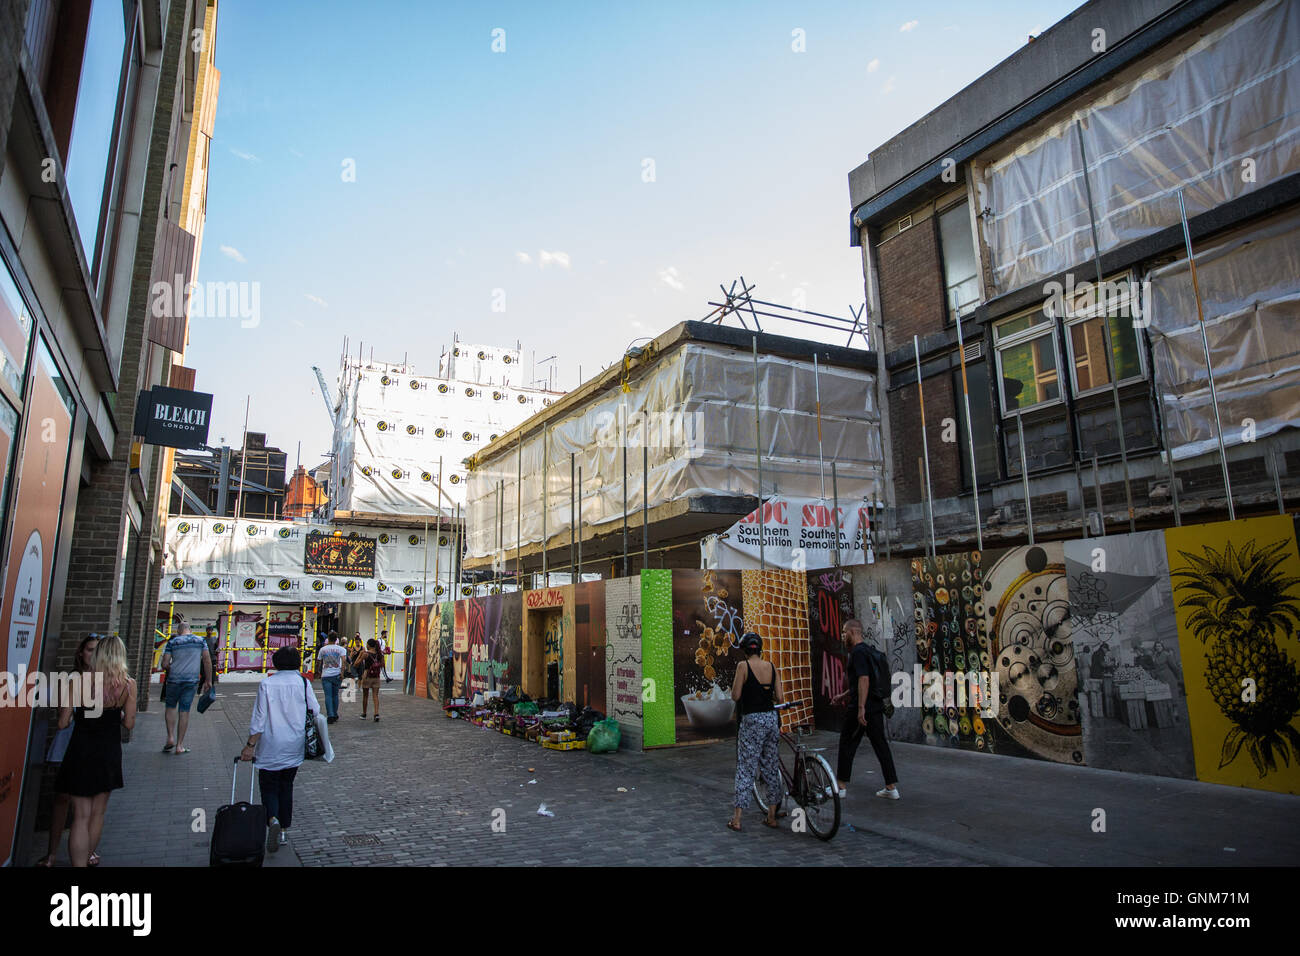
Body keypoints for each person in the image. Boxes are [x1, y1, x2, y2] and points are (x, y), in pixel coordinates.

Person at [54, 635, 136, 867]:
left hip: (80, 750)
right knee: (97, 813)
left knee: (80, 815)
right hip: (108, 752)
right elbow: (129, 724)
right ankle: (89, 857)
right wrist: (115, 714)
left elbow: (62, 723)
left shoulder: (79, 681)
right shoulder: (128, 685)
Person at [241, 647, 319, 854]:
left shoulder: (267, 683)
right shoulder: (303, 683)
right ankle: (283, 830)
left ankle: (272, 818)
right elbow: (316, 710)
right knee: (287, 786)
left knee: (268, 787)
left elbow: (259, 718)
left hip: (270, 744)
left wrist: (250, 745)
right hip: (294, 744)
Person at [36, 633, 99, 867]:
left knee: (87, 801)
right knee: (62, 798)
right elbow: (63, 716)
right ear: (81, 653)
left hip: (91, 743)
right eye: (89, 650)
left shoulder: (108, 679)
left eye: (97, 650)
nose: (93, 655)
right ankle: (52, 853)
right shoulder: (71, 678)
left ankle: (88, 849)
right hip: (70, 739)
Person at [832, 618, 899, 800]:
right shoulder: (868, 651)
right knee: (880, 745)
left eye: (844, 632)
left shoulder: (858, 653)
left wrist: (860, 708)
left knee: (847, 743)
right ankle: (891, 787)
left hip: (861, 708)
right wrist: (843, 696)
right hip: (875, 707)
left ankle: (840, 786)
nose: (842, 636)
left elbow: (864, 680)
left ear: (853, 632)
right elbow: (860, 682)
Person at [727, 632, 783, 832]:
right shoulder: (772, 667)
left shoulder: (743, 666)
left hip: (751, 720)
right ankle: (771, 816)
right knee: (771, 766)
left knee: (745, 768)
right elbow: (780, 696)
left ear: (744, 650)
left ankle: (737, 819)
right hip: (770, 720)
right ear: (760, 649)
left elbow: (735, 695)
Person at [159, 621, 212, 754]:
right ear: (190, 630)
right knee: (184, 710)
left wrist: (173, 668)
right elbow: (207, 660)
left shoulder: (173, 642)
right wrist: (208, 680)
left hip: (173, 680)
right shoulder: (200, 641)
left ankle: (170, 737)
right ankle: (179, 745)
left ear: (179, 631)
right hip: (191, 681)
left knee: (170, 707)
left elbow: (164, 664)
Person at [317, 632, 347, 723]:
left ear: (328, 639)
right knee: (335, 695)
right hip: (336, 674)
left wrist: (319, 670)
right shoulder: (341, 649)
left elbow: (319, 661)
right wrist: (342, 673)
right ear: (336, 639)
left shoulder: (322, 649)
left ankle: (330, 715)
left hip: (326, 674)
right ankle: (335, 713)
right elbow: (344, 661)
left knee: (328, 696)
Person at [353, 638, 384, 722]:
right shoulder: (379, 654)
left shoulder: (365, 654)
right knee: (375, 696)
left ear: (369, 645)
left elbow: (356, 664)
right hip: (376, 676)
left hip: (367, 676)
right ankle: (376, 713)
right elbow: (382, 665)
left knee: (365, 696)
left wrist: (360, 655)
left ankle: (364, 713)